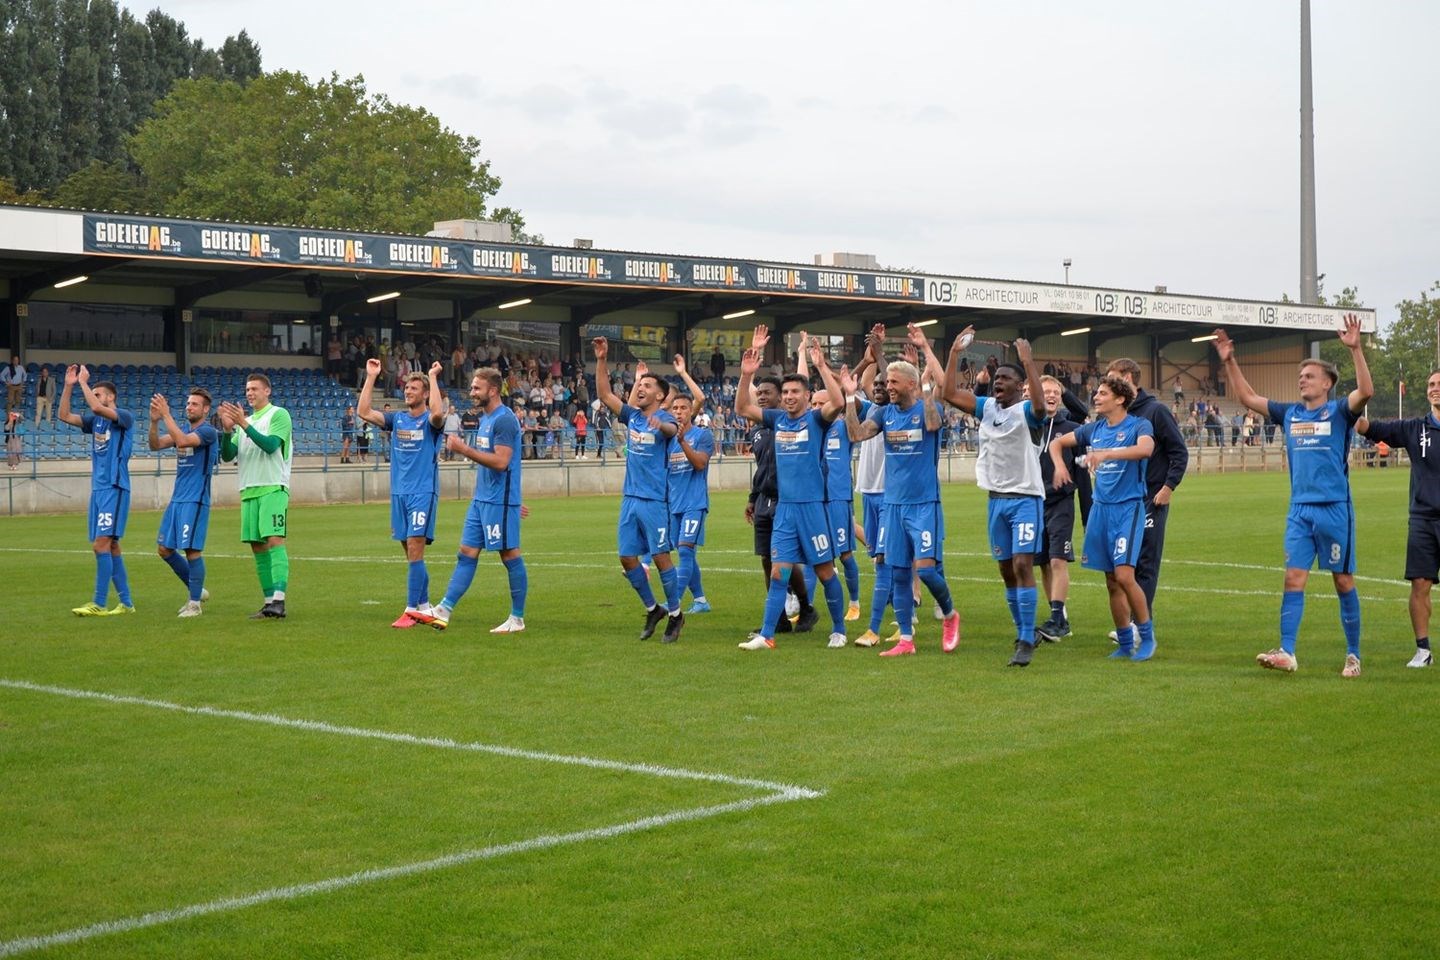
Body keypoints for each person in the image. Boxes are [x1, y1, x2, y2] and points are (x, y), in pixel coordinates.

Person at [1214, 318, 1372, 676]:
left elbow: (1366, 391)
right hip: (1299, 511)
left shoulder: (1340, 412)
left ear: (1327, 383)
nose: (1303, 379)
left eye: (1310, 376)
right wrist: (1229, 360)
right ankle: (1287, 651)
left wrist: (1356, 349)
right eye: (1301, 376)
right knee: (1292, 578)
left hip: (1334, 509)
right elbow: (1248, 398)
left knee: (1343, 580)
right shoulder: (1290, 413)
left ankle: (1353, 654)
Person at [846, 323, 963, 656]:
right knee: (897, 572)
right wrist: (846, 397)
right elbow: (856, 434)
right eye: (886, 383)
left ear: (912, 384)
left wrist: (926, 388)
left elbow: (932, 424)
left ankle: (951, 614)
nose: (888, 387)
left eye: (894, 382)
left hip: (924, 502)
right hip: (893, 505)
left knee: (925, 570)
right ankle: (907, 641)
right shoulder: (884, 414)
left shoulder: (928, 408)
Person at [735, 334, 849, 650]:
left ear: (807, 394)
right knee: (777, 574)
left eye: (795, 391)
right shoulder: (776, 420)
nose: (788, 396)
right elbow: (742, 406)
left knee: (825, 572)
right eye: (785, 392)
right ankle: (767, 636)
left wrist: (822, 365)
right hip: (784, 509)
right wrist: (747, 375)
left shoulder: (816, 419)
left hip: (812, 509)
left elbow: (838, 403)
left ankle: (839, 629)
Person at [941, 330, 1046, 666]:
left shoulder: (1028, 411)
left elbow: (1042, 407)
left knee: (1022, 564)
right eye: (996, 377)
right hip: (995, 501)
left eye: (1005, 378)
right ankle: (1024, 630)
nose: (997, 381)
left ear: (1019, 386)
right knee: (1005, 570)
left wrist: (1028, 361)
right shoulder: (987, 408)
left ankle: (1027, 638)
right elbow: (948, 393)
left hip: (1025, 499)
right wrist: (954, 352)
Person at [1048, 376, 1157, 660]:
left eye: (1102, 393)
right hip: (1101, 510)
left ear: (1120, 399)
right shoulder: (1093, 429)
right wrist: (1060, 467)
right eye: (1096, 393)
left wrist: (1108, 453)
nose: (1096, 397)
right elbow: (1056, 444)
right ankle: (1123, 643)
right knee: (1111, 580)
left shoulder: (1138, 425)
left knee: (1124, 575)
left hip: (1128, 509)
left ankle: (1146, 637)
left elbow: (1146, 449)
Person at [592, 335, 685, 643]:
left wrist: (664, 427)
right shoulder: (632, 417)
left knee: (661, 559)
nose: (641, 388)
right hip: (630, 499)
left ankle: (675, 614)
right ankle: (653, 608)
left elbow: (672, 429)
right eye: (639, 385)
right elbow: (605, 393)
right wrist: (602, 358)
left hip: (655, 501)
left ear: (660, 395)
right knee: (627, 557)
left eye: (647, 386)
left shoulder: (664, 417)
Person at [432, 368, 527, 633]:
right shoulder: (486, 419)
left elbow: (501, 461)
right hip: (482, 499)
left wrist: (464, 450)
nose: (471, 392)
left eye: (476, 388)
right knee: (466, 552)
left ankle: (517, 618)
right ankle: (444, 609)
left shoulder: (504, 420)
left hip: (498, 500)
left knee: (509, 554)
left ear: (493, 391)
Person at [1358, 369, 1440, 668]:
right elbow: (1372, 428)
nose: (1434, 389)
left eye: (1439, 384)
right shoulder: (1415, 428)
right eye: (1431, 384)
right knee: (1419, 584)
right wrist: (1346, 411)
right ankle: (1423, 651)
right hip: (1422, 519)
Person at [1104, 358, 1189, 642]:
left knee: (1145, 563)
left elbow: (1179, 451)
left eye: (1112, 377)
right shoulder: (1117, 414)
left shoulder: (1156, 411)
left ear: (1128, 377)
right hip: (1122, 502)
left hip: (1151, 499)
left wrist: (1168, 487)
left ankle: (1140, 627)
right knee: (1123, 565)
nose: (1108, 382)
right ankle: (1129, 625)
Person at [359, 357, 446, 627]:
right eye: (407, 388)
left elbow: (439, 414)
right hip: (399, 493)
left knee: (415, 546)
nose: (408, 392)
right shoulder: (397, 420)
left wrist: (432, 377)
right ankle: (424, 605)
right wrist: (371, 376)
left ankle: (410, 611)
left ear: (425, 395)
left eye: (414, 389)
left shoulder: (431, 423)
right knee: (410, 552)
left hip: (423, 492)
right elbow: (363, 411)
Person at [742, 332, 817, 638]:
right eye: (758, 393)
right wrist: (752, 496)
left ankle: (805, 606)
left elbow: (802, 381)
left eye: (766, 394)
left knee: (786, 559)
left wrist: (802, 352)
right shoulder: (759, 431)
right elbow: (763, 468)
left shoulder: (793, 421)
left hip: (791, 500)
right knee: (766, 558)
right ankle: (780, 618)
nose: (761, 397)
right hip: (764, 500)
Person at [58, 364, 136, 616]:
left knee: (100, 545)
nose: (95, 396)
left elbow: (94, 406)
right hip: (99, 490)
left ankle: (99, 603)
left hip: (114, 487)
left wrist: (83, 383)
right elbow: (64, 416)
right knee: (111, 546)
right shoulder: (97, 423)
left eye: (99, 393)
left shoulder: (124, 417)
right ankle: (126, 603)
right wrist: (69, 385)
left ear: (111, 397)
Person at [797, 333, 864, 624]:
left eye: (820, 403)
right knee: (814, 558)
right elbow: (798, 387)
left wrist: (847, 394)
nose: (814, 407)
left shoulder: (842, 428)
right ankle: (806, 608)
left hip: (837, 498)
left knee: (846, 554)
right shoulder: (809, 428)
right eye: (813, 403)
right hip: (813, 498)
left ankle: (855, 602)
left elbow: (855, 422)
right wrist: (802, 353)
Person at [217, 373, 294, 620]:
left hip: (272, 486)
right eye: (247, 389)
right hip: (249, 489)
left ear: (267, 391)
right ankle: (269, 602)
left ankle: (280, 601)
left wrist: (243, 424)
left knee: (273, 540)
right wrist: (228, 431)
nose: (250, 393)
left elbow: (271, 445)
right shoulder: (244, 422)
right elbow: (227, 455)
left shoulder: (278, 414)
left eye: (254, 389)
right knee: (257, 547)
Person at [148, 389, 219, 617]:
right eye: (188, 403)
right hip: (177, 499)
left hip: (195, 499)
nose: (189, 407)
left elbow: (182, 440)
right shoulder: (184, 430)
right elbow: (155, 444)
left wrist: (166, 414)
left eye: (194, 404)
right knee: (164, 549)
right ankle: (196, 588)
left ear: (205, 409)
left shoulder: (208, 432)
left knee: (191, 550)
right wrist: (154, 421)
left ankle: (194, 604)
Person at [1035, 375, 1081, 642]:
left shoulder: (1071, 427)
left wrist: (1065, 389)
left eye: (1056, 392)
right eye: (1046, 391)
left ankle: (1056, 618)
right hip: (1033, 500)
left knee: (1057, 559)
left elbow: (1084, 412)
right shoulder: (1030, 424)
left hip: (1061, 501)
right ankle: (1059, 616)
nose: (1051, 395)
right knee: (1043, 564)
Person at [668, 384, 715, 615]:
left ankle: (673, 602)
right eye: (675, 408)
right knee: (687, 554)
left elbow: (699, 464)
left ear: (691, 412)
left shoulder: (702, 435)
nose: (678, 412)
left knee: (685, 552)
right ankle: (701, 600)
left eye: (683, 408)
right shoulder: (667, 441)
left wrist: (683, 442)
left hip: (694, 503)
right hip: (674, 504)